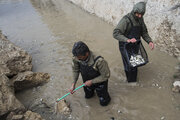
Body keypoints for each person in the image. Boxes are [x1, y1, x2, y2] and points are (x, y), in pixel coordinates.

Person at [113, 2, 154, 82]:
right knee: (129, 65)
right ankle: (131, 83)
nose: (139, 16)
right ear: (134, 11)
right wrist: (127, 40)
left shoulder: (140, 19)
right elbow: (115, 33)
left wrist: (149, 41)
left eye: (141, 14)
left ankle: (133, 81)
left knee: (135, 63)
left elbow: (144, 32)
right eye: (138, 14)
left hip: (135, 45)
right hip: (125, 46)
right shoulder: (126, 20)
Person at [69, 41, 111, 106]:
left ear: (87, 53)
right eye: (76, 57)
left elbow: (105, 75)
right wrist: (73, 83)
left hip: (100, 82)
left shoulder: (99, 61)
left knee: (104, 102)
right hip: (86, 81)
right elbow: (75, 70)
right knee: (88, 97)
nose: (77, 59)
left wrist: (92, 81)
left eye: (80, 57)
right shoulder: (76, 58)